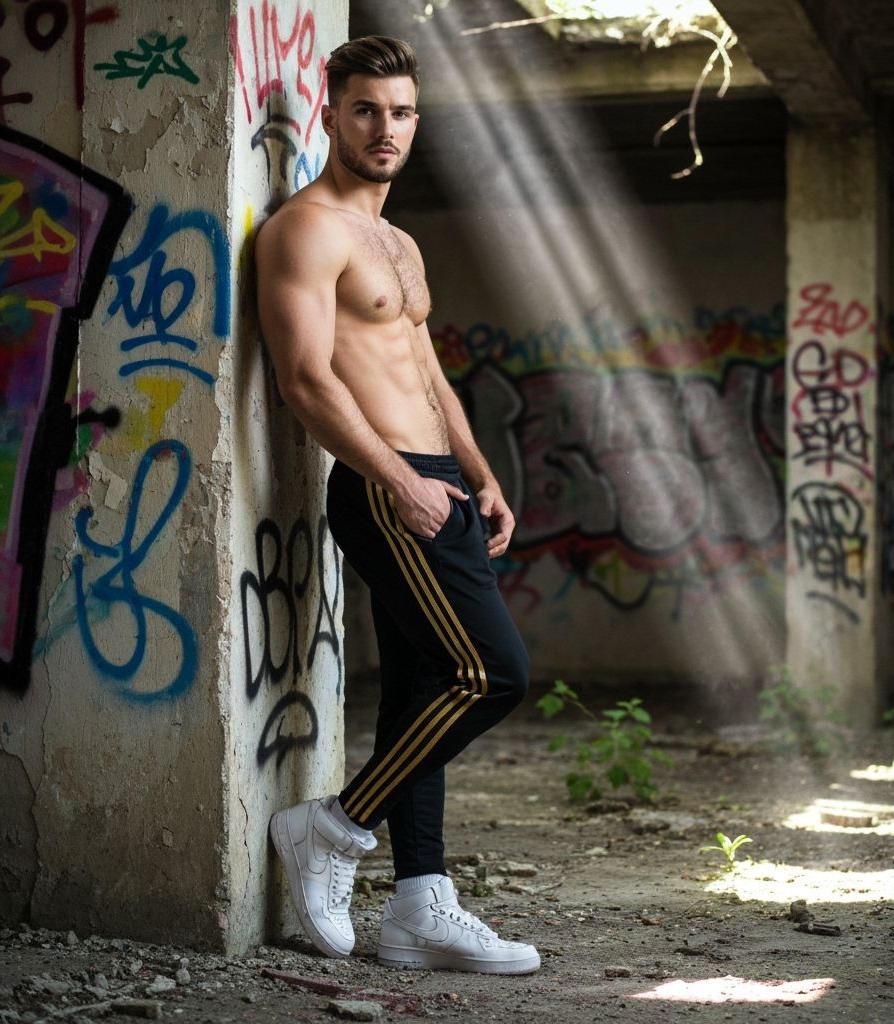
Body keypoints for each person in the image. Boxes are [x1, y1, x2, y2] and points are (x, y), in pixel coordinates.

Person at [254, 35, 539, 975]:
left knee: (425, 689)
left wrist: (477, 469)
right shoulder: (306, 230)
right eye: (367, 109)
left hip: (435, 476)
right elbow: (305, 380)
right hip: (385, 488)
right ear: (331, 113)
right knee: (492, 673)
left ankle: (420, 906)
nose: (386, 128)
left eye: (403, 112)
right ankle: (333, 827)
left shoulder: (399, 243)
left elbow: (424, 371)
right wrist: (400, 481)